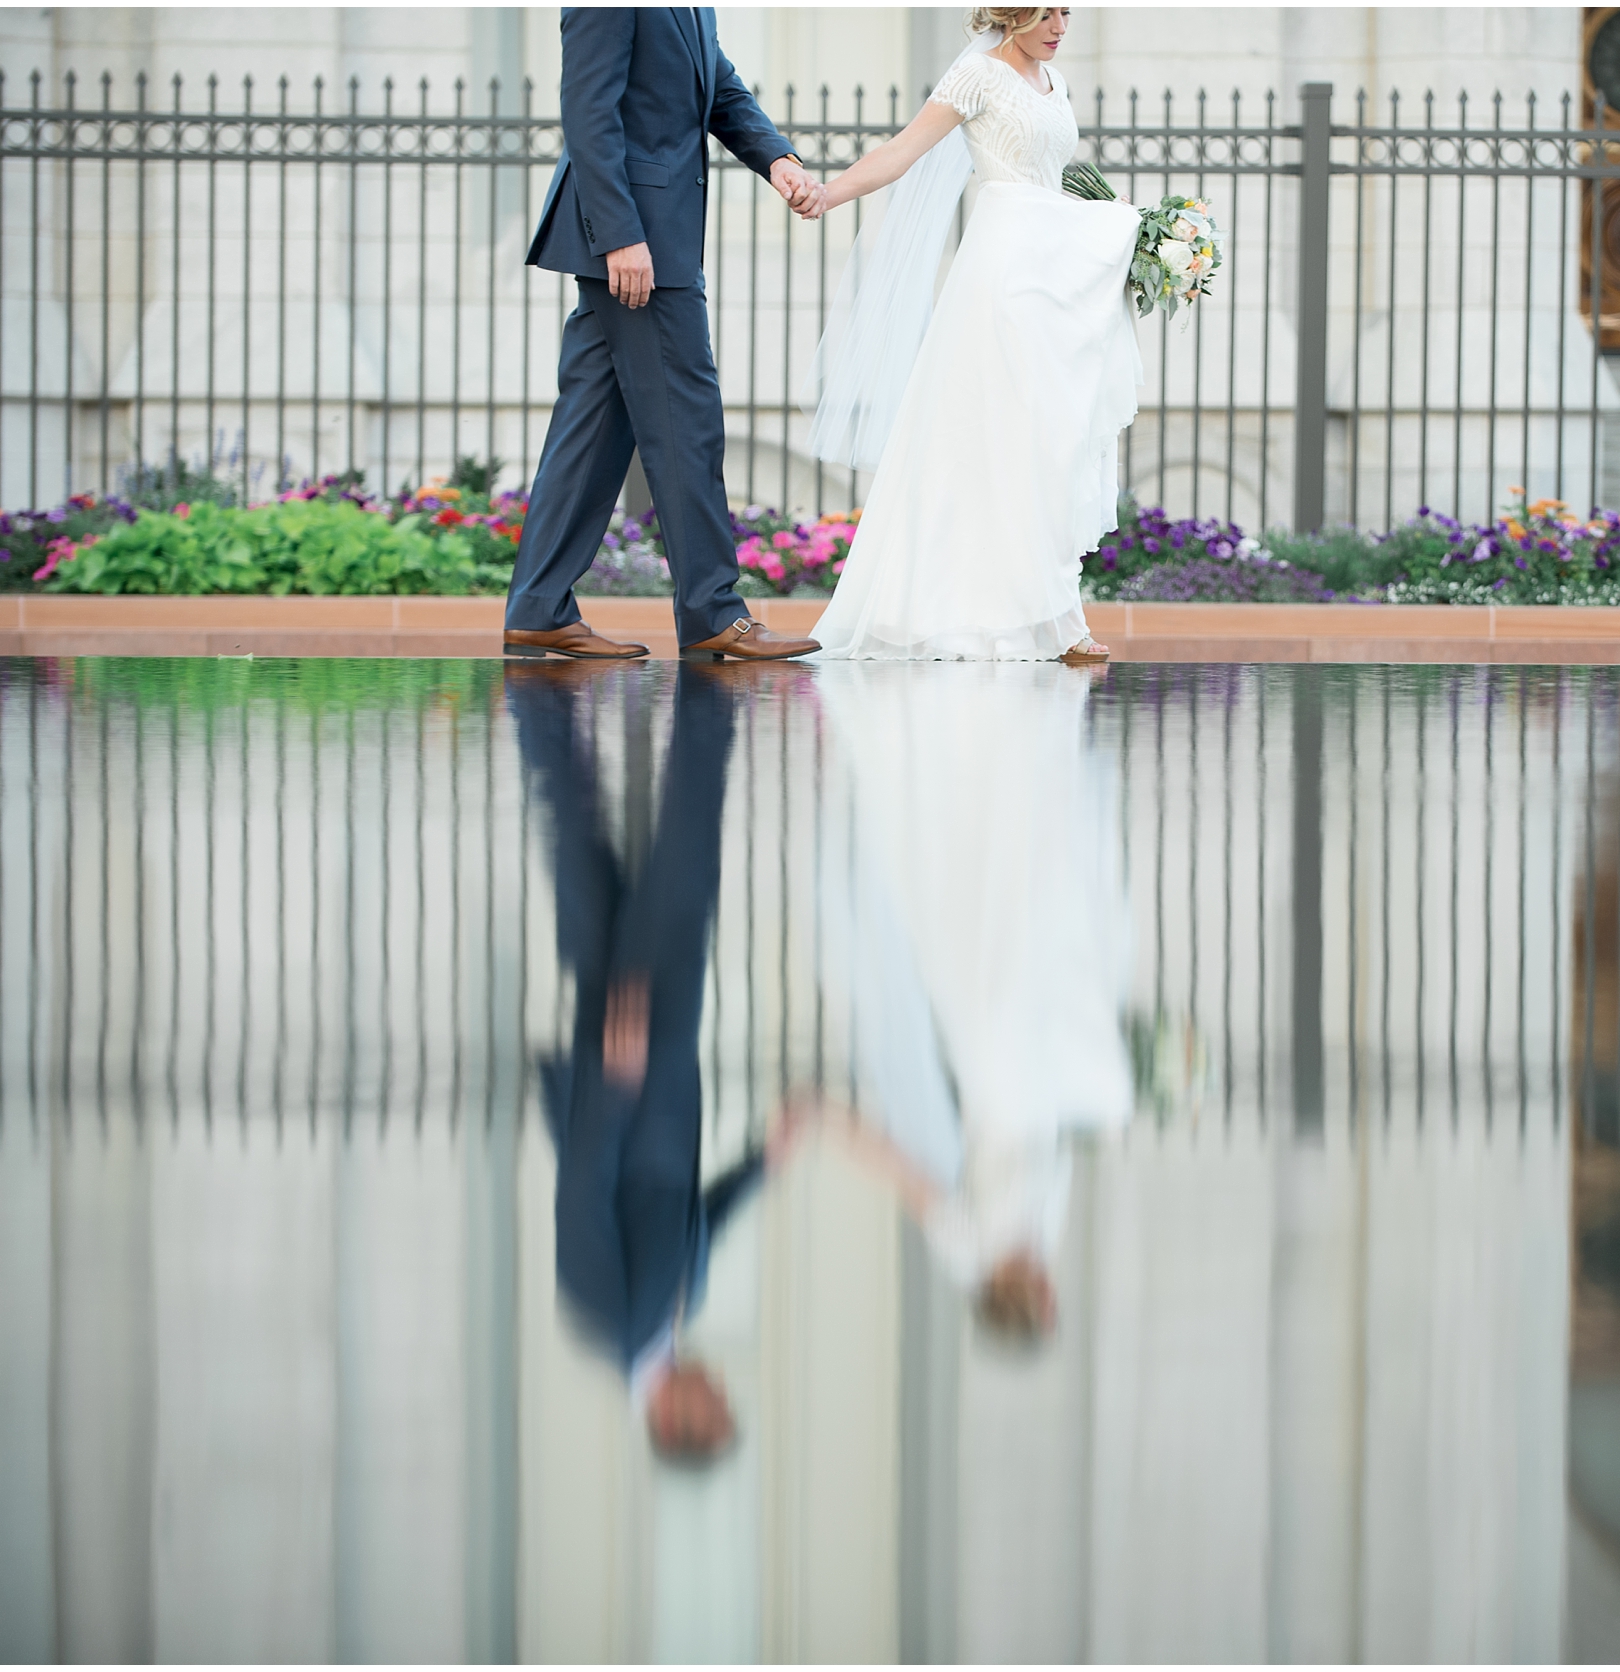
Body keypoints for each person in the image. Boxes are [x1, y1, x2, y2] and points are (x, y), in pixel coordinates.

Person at [795, 661, 1136, 1341]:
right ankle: (1032, 777)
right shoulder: (1038, 1239)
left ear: (1025, 1302)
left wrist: (827, 1121)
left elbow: (910, 1177)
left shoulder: (972, 1248)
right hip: (1040, 1086)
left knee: (1010, 941)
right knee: (1057, 942)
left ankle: (984, 777)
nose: (1051, 1287)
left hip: (1004, 1086)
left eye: (1046, 1301)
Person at [801, 7, 1139, 663]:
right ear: (1010, 14)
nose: (1059, 24)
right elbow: (903, 152)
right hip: (1003, 274)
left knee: (1048, 444)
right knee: (997, 438)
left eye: (1065, 11)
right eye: (1044, 12)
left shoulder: (1056, 82)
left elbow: (1051, 185)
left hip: (1054, 279)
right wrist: (829, 193)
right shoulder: (976, 76)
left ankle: (1056, 616)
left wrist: (1125, 232)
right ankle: (990, 616)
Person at [505, 7, 826, 664]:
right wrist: (620, 235)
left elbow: (721, 85)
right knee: (688, 418)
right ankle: (713, 611)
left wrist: (777, 158)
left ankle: (538, 608)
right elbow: (588, 114)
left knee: (593, 425)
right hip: (637, 240)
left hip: (657, 235)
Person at [508, 659, 759, 1461]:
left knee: (681, 878)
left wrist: (617, 1083)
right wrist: (765, 1162)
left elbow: (584, 1190)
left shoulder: (607, 1318)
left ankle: (710, 698)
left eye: (715, 1407)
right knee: (583, 862)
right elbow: (696, 1221)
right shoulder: (665, 1323)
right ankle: (539, 703)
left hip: (636, 1063)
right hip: (648, 1061)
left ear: (676, 1421)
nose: (721, 1387)